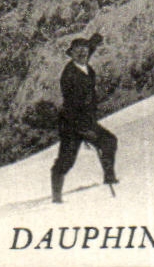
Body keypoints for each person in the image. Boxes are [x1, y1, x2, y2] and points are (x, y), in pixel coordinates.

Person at [51, 34, 119, 203]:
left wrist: (93, 43)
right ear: (71, 53)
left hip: (86, 121)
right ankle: (56, 197)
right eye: (78, 51)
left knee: (109, 141)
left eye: (85, 50)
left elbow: (88, 52)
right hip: (72, 125)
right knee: (66, 161)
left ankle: (109, 177)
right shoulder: (69, 75)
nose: (83, 54)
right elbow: (72, 105)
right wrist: (85, 130)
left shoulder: (84, 66)